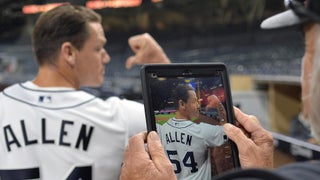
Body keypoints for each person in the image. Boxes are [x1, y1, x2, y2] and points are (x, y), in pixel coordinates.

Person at [121, 0, 320, 179]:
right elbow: (226, 128)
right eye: (308, 50)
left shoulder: (160, 130)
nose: (306, 70)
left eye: (309, 50)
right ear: (182, 104)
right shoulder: (203, 130)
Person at [0, 4, 169, 180]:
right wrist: (160, 67)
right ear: (69, 52)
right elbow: (177, 120)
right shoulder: (116, 118)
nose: (106, 57)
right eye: (98, 48)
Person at [156, 84, 228, 179]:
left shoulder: (160, 130)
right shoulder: (201, 131)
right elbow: (227, 130)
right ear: (182, 104)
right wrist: (219, 105)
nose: (198, 105)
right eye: (194, 101)